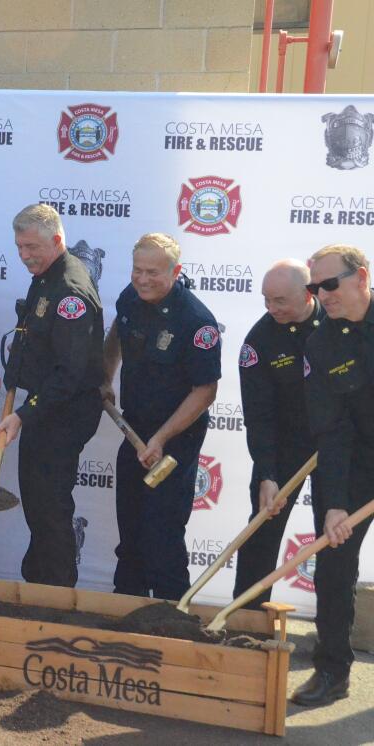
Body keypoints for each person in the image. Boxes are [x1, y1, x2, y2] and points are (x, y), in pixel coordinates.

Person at [102, 233, 221, 600]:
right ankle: (127, 610)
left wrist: (162, 438)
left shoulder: (197, 322)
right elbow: (117, 333)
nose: (142, 279)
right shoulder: (130, 297)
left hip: (175, 441)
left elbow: (205, 392)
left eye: (153, 272)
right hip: (135, 429)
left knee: (163, 535)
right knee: (131, 529)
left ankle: (171, 622)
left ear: (176, 271)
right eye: (137, 270)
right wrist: (105, 375)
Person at [0, 204, 103, 587]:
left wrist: (25, 414)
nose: (24, 256)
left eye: (31, 247)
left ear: (57, 240)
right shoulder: (45, 276)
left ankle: (57, 597)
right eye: (19, 247)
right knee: (39, 506)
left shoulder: (70, 290)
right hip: (45, 409)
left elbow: (69, 373)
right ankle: (39, 583)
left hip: (64, 413)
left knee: (51, 508)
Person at [297, 243, 374, 706]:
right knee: (333, 565)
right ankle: (332, 670)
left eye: (331, 284)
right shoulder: (321, 342)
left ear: (361, 276)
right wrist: (336, 504)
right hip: (355, 463)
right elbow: (332, 427)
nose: (322, 295)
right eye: (315, 287)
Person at [233, 260, 323, 608]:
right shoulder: (259, 341)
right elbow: (259, 416)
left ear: (307, 293)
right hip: (286, 443)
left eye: (280, 300)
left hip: (337, 441)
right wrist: (268, 474)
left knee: (334, 534)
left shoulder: (337, 321)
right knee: (261, 528)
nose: (272, 308)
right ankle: (246, 621)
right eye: (266, 300)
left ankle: (330, 641)